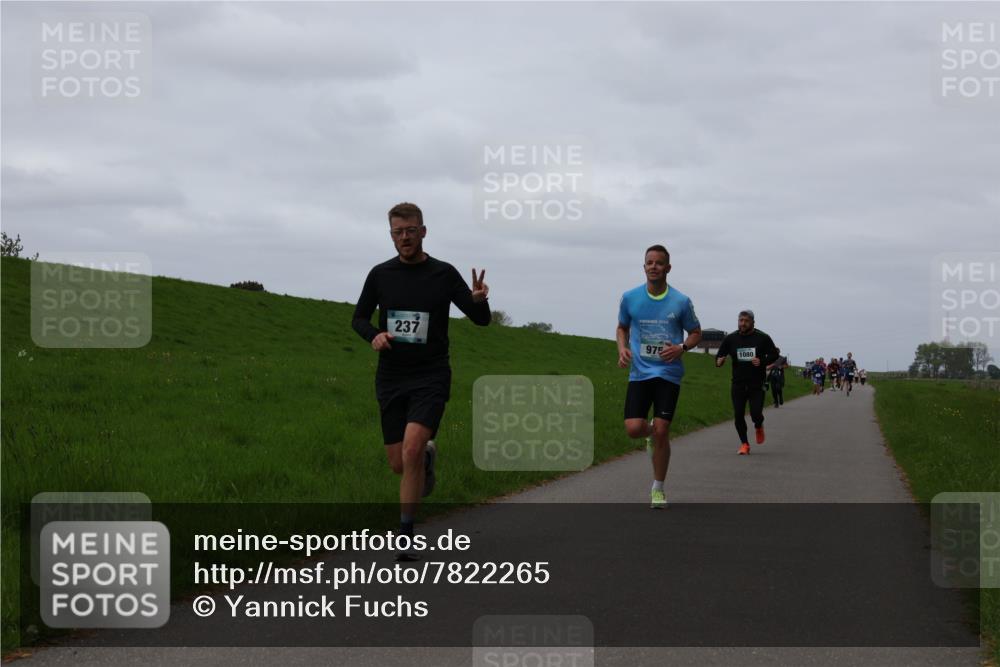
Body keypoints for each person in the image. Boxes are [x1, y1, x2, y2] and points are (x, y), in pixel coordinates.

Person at [352, 202, 491, 559]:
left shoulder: (443, 274)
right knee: (399, 463)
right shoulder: (380, 275)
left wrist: (479, 301)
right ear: (391, 235)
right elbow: (359, 318)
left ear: (423, 232)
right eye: (398, 232)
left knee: (411, 448)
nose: (404, 238)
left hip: (430, 374)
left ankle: (405, 535)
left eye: (410, 231)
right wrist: (374, 336)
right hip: (391, 375)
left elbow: (480, 320)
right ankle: (426, 461)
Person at [617, 244, 702, 509]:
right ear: (644, 267)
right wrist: (622, 348)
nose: (653, 266)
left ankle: (658, 489)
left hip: (668, 374)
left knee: (663, 431)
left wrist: (682, 348)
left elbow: (696, 332)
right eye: (649, 262)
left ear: (668, 268)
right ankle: (650, 434)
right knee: (633, 429)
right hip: (640, 373)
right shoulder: (630, 297)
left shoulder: (680, 301)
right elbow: (622, 327)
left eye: (659, 263)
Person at [716, 310, 778, 455]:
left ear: (752, 322)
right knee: (738, 415)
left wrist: (762, 361)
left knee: (756, 413)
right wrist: (719, 361)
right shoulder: (731, 338)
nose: (742, 323)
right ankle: (744, 444)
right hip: (738, 383)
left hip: (757, 383)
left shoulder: (762, 337)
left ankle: (758, 425)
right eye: (740, 320)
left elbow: (774, 354)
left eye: (746, 321)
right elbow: (720, 355)